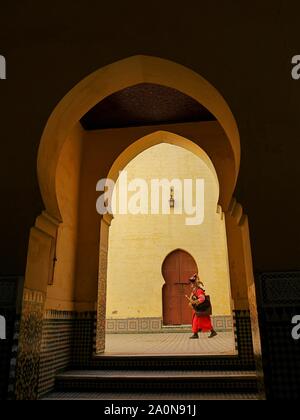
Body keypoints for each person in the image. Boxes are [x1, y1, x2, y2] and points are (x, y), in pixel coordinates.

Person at [187, 274, 217, 339]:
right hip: (200, 310)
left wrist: (195, 302)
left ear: (194, 283)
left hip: (201, 309)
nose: (190, 284)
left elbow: (202, 298)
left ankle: (196, 334)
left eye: (191, 283)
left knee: (198, 321)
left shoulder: (199, 290)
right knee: (203, 321)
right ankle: (211, 331)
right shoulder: (195, 290)